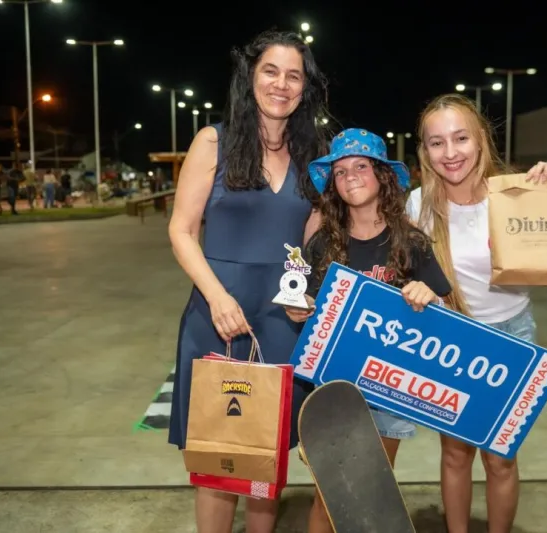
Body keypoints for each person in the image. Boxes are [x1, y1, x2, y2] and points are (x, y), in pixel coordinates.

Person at [167, 30, 328, 533]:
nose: (282, 84)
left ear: (304, 88)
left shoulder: (312, 154)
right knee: (217, 457)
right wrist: (217, 298)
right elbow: (181, 231)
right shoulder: (213, 141)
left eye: (294, 75)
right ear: (250, 78)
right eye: (270, 71)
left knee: (265, 453)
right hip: (220, 315)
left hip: (281, 319)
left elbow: (311, 241)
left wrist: (308, 292)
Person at [406, 93, 547, 533]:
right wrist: (415, 289)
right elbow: (403, 272)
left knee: (500, 458)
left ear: (481, 138)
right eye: (437, 142)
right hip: (450, 337)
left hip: (512, 336)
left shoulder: (517, 194)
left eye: (460, 138)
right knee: (455, 454)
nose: (450, 152)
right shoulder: (417, 206)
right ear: (425, 150)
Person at [284, 128, 453, 533]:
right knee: (330, 494)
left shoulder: (411, 242)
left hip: (389, 388)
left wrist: (428, 296)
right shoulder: (322, 244)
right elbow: (301, 304)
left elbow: (443, 314)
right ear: (333, 185)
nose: (351, 177)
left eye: (361, 166)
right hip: (333, 390)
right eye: (340, 171)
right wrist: (298, 309)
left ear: (382, 175)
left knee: (372, 492)